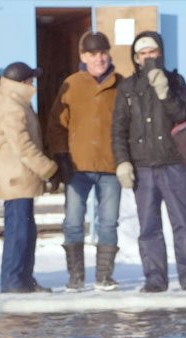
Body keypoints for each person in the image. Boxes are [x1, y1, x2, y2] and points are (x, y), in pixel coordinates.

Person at [111, 31, 186, 293]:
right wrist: (122, 162)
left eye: (152, 52)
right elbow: (118, 129)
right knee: (148, 227)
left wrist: (165, 92)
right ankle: (155, 279)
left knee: (183, 223)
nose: (148, 57)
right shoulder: (127, 88)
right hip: (142, 167)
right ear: (135, 58)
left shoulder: (175, 81)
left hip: (173, 163)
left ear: (160, 53)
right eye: (142, 53)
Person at [47, 30, 123, 292]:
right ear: (83, 57)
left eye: (103, 53)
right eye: (92, 54)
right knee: (73, 222)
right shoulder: (72, 84)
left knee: (108, 223)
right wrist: (61, 155)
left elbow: (129, 124)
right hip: (77, 166)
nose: (99, 58)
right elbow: (56, 124)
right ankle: (76, 278)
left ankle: (104, 277)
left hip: (111, 166)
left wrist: (125, 159)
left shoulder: (120, 84)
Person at [0, 61, 56, 293]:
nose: (33, 84)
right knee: (19, 232)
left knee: (26, 231)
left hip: (19, 177)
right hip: (16, 177)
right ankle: (14, 281)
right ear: (22, 82)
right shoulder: (12, 106)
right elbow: (23, 146)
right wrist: (47, 169)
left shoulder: (14, 101)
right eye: (30, 80)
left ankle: (24, 279)